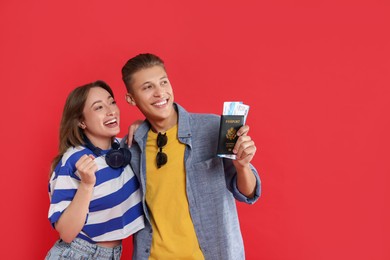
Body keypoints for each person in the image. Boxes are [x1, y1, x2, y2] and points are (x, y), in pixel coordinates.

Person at [121, 53, 261, 260]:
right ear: (131, 99)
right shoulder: (131, 146)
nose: (160, 93)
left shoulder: (213, 128)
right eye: (147, 87)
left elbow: (248, 193)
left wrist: (242, 166)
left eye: (163, 82)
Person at [46, 81, 144, 260]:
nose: (111, 110)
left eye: (112, 102)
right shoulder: (74, 160)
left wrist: (144, 128)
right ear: (81, 122)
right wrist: (86, 185)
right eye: (99, 107)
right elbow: (66, 233)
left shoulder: (124, 150)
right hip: (78, 254)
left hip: (113, 254)